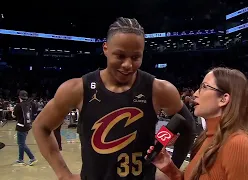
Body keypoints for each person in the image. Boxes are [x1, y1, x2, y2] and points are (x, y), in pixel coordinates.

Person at [33, 17, 196, 180]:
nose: (127, 64)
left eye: (135, 57)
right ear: (105, 48)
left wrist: (169, 171)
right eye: (120, 55)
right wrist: (64, 175)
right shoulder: (77, 89)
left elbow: (188, 126)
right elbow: (41, 126)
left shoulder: (159, 89)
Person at [147, 67, 248, 180]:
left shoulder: (239, 144)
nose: (195, 94)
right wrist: (168, 167)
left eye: (204, 87)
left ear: (223, 99)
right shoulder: (206, 137)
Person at [12, 90, 37, 166]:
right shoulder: (30, 104)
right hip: (27, 126)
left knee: (21, 144)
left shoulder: (18, 106)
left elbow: (14, 116)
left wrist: (12, 111)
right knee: (21, 143)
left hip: (21, 126)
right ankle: (20, 159)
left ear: (20, 97)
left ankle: (32, 158)